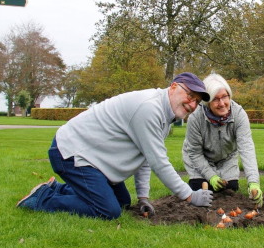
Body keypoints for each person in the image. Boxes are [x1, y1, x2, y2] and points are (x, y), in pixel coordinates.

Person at [17, 72, 214, 219]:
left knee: (122, 202)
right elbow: (158, 162)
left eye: (197, 101)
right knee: (107, 210)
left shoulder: (164, 115)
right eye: (190, 95)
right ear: (173, 87)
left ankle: (56, 189)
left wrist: (143, 197)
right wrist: (189, 195)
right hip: (72, 153)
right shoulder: (149, 108)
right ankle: (42, 199)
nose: (192, 104)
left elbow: (145, 158)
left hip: (94, 160)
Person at [182, 73, 263, 207]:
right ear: (207, 102)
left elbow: (246, 148)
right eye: (215, 99)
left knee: (230, 189)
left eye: (225, 97)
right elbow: (195, 153)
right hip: (199, 158)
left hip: (226, 158)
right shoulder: (195, 118)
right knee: (200, 189)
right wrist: (211, 176)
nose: (222, 103)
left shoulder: (239, 114)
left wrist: (253, 182)